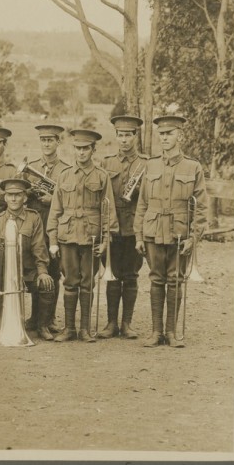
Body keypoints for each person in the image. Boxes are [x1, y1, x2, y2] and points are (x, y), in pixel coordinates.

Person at [135, 114, 209, 348]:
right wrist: (138, 235)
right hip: (153, 231)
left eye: (170, 133)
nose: (165, 138)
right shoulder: (151, 165)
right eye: (162, 134)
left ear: (180, 135)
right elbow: (142, 204)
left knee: (175, 281)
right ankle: (156, 331)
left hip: (180, 234)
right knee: (156, 280)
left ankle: (171, 332)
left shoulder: (193, 167)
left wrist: (194, 237)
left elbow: (202, 207)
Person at [48, 129, 117, 342]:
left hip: (91, 238)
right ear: (73, 149)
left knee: (88, 283)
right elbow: (55, 210)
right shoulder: (64, 175)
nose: (81, 153)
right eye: (77, 148)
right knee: (70, 282)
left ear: (93, 150)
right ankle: (69, 329)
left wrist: (106, 240)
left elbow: (108, 211)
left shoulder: (101, 176)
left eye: (85, 148)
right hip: (67, 237)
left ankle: (85, 329)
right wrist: (52, 241)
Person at [0, 177, 56, 339]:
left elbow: (39, 247)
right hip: (4, 273)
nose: (14, 198)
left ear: (25, 197)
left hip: (28, 271)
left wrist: (42, 271)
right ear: (5, 197)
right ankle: (1, 317)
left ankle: (42, 325)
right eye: (10, 195)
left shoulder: (34, 218)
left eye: (18, 195)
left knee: (47, 285)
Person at [97, 115, 148, 339]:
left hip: (134, 228)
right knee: (112, 275)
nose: (124, 140)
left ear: (135, 136)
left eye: (128, 135)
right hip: (111, 227)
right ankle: (110, 323)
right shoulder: (107, 163)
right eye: (121, 135)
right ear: (115, 136)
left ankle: (126, 323)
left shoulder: (146, 164)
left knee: (131, 275)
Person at [23, 123, 71, 332]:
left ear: (58, 142)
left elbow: (69, 200)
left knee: (53, 271)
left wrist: (53, 199)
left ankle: (49, 318)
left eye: (50, 140)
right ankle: (35, 317)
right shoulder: (31, 167)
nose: (46, 144)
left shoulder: (66, 170)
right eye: (43, 140)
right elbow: (20, 196)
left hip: (55, 226)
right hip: (34, 225)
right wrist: (30, 193)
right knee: (35, 270)